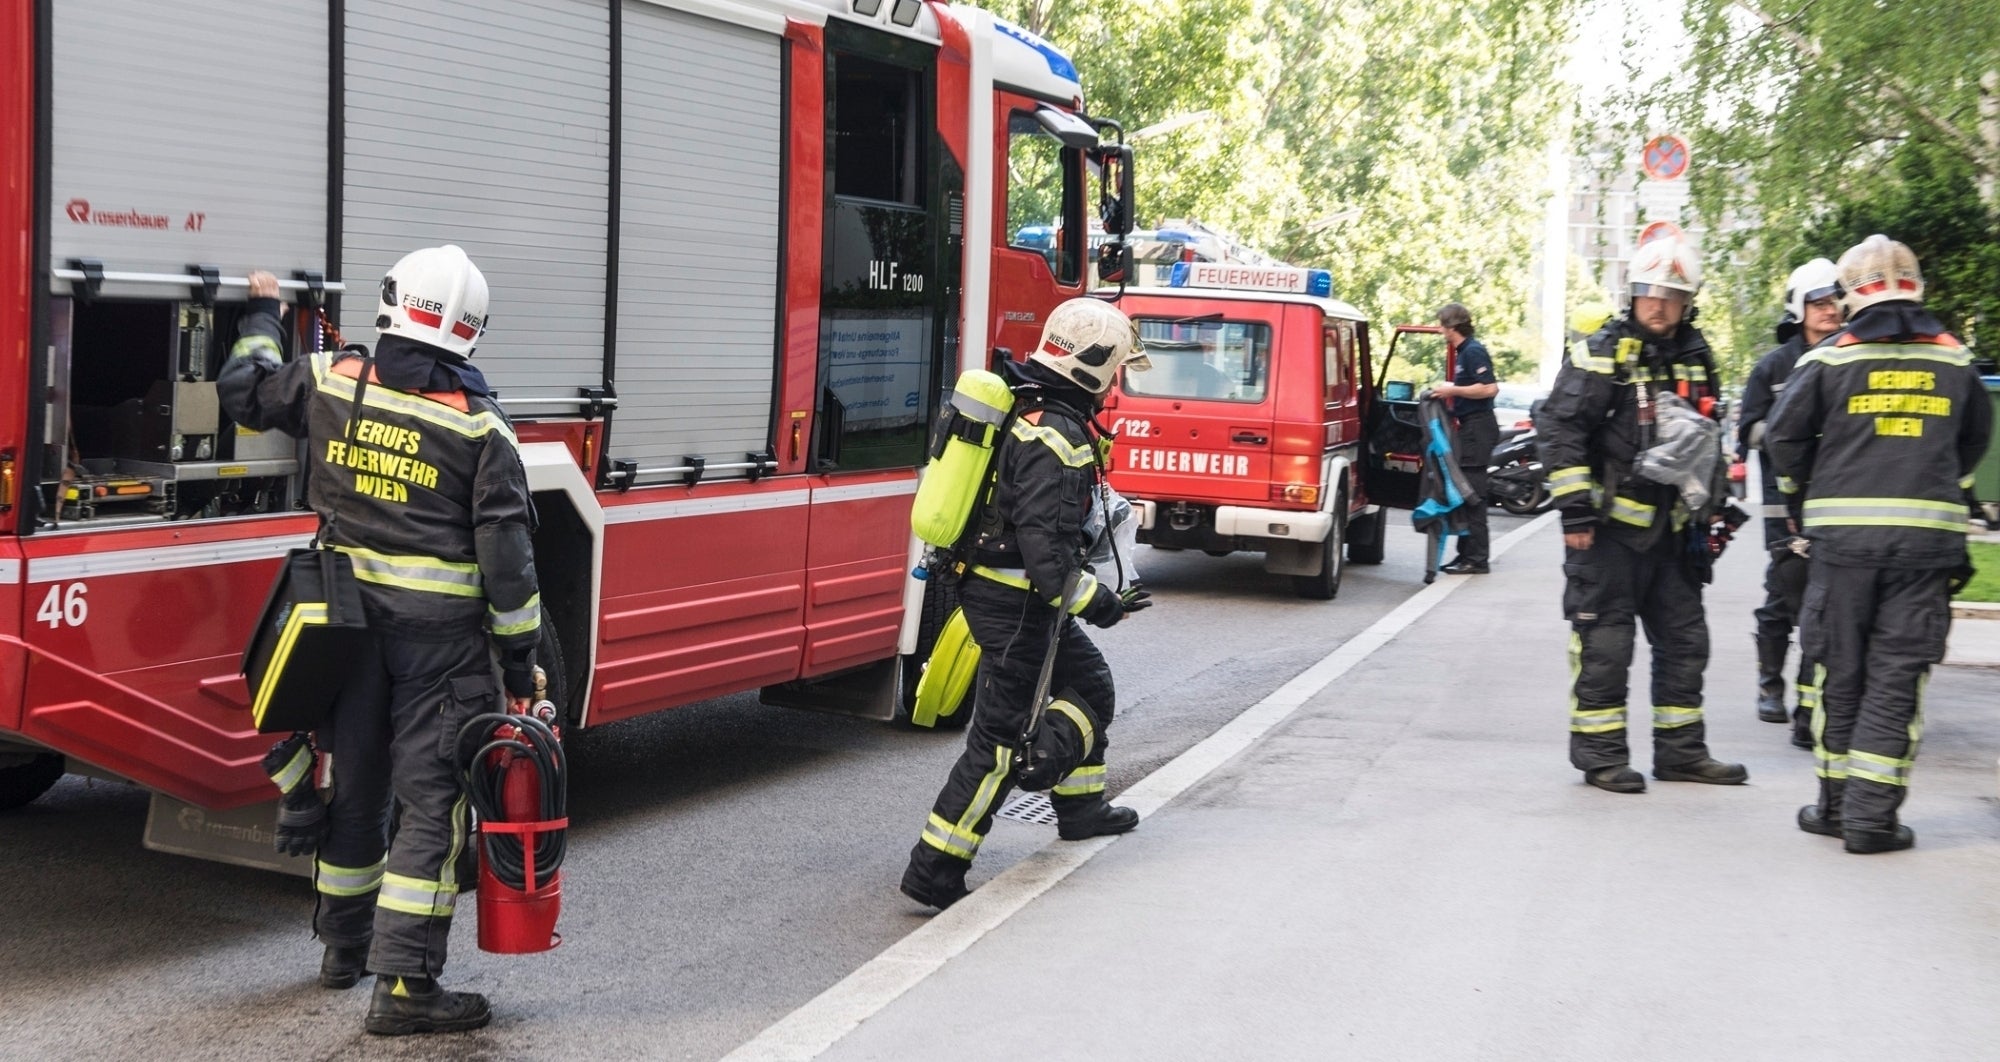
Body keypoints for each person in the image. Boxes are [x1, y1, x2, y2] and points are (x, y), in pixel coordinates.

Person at [220, 247, 541, 1034]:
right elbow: (509, 563)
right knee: (432, 807)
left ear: (395, 303)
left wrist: (264, 317)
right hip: (441, 653)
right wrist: (521, 666)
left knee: (354, 786)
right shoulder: (480, 427)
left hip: (347, 633)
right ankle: (405, 991)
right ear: (471, 330)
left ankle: (342, 947)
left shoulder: (334, 379)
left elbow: (244, 394)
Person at [901, 298, 1155, 910]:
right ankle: (935, 868)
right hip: (1016, 601)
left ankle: (1081, 807)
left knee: (1089, 684)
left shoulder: (1027, 405)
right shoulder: (1058, 433)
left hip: (1005, 593)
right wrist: (1102, 602)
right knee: (999, 743)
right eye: (1116, 369)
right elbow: (1047, 557)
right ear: (1093, 366)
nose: (1115, 383)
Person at [1767, 234, 1991, 854]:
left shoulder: (1829, 360)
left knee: (1842, 672)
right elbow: (1973, 443)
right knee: (1895, 680)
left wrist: (1801, 497)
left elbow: (1782, 440)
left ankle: (1835, 807)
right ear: (1917, 290)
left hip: (1840, 547)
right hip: (1925, 552)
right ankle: (1870, 820)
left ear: (1851, 298)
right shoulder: (1955, 360)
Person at [1536, 234, 1748, 794]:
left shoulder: (1698, 358)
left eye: (1671, 295)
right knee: (1606, 646)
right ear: (1632, 294)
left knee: (1685, 644)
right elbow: (1561, 428)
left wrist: (1713, 505)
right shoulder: (1603, 353)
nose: (1658, 304)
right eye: (1649, 293)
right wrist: (1575, 512)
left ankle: (1681, 753)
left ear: (1688, 302)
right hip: (1607, 535)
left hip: (1675, 535)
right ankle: (1601, 758)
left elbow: (1708, 436)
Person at [1736, 258, 1842, 743]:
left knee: (1826, 608)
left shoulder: (1850, 357)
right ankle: (1769, 685)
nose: (1830, 310)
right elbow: (1749, 430)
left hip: (1837, 504)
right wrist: (1788, 432)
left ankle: (1809, 704)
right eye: (1819, 303)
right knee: (1784, 597)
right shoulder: (1773, 367)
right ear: (1798, 309)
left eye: (1835, 302)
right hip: (1785, 507)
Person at [1431, 303, 1498, 574]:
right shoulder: (1463, 352)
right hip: (1470, 429)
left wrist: (1453, 390)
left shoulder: (1473, 351)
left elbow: (1490, 388)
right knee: (1464, 493)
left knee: (1473, 495)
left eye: (1443, 326)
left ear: (1453, 327)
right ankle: (1465, 554)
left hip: (1478, 429)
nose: (1440, 331)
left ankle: (1477, 558)